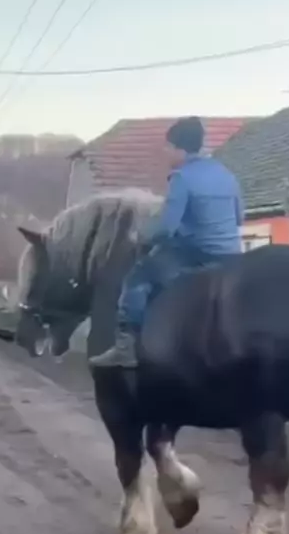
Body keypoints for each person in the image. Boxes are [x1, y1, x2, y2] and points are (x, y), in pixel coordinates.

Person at [89, 115, 244, 368]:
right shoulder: (226, 174)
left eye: (168, 147)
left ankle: (126, 347)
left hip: (197, 254)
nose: (166, 152)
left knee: (137, 277)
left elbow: (165, 228)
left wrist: (140, 236)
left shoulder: (181, 178)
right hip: (232, 255)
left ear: (180, 149)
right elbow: (239, 218)